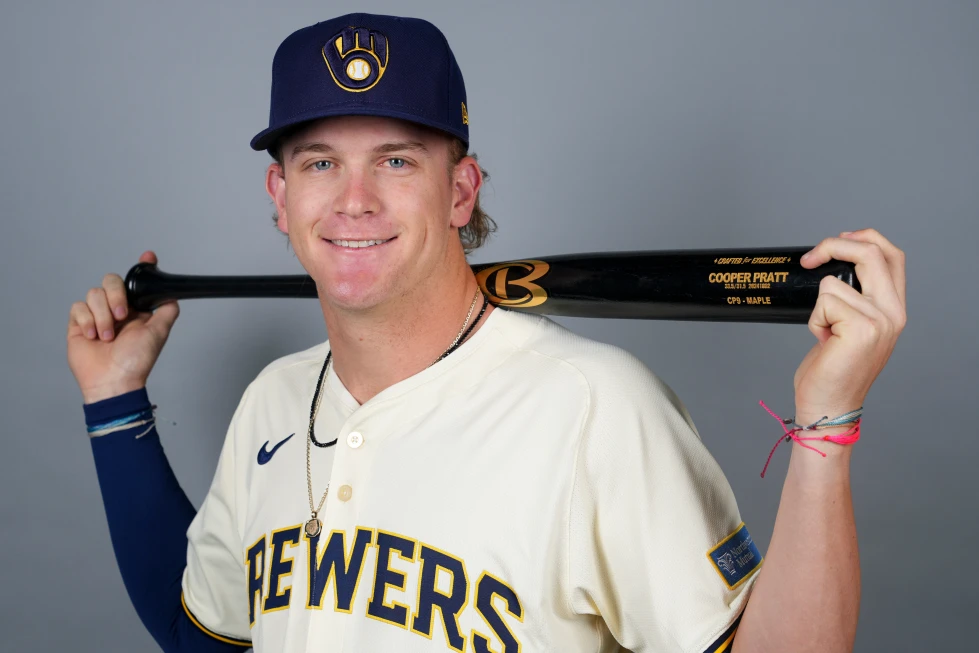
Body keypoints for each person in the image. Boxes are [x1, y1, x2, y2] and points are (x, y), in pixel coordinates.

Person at [66, 12, 907, 653]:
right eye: (320, 162)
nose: (353, 200)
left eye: (396, 160)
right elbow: (203, 634)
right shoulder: (273, 401)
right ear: (280, 197)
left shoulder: (596, 407)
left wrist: (824, 426)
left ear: (461, 191)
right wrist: (113, 398)